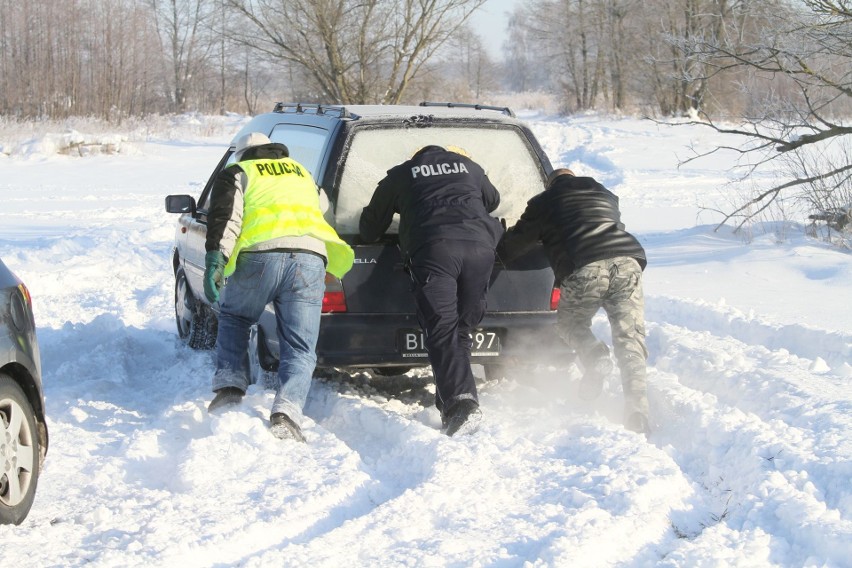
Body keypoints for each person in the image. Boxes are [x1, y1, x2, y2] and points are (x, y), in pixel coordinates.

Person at [204, 132, 354, 442]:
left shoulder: (239, 173)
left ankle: (231, 389)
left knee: (235, 317)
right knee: (300, 344)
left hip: (260, 257)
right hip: (310, 259)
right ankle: (287, 411)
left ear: (244, 154)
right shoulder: (302, 174)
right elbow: (321, 204)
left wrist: (216, 262)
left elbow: (227, 219)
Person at [359, 145, 503, 436]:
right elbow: (493, 200)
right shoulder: (469, 167)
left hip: (435, 250)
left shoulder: (400, 175)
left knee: (442, 327)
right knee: (461, 327)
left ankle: (461, 404)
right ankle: (453, 403)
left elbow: (370, 228)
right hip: (481, 249)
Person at [498, 168, 651, 435]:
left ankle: (595, 355)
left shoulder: (543, 202)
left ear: (550, 185)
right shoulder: (605, 194)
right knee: (630, 338)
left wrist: (494, 250)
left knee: (570, 324)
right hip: (628, 263)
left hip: (585, 266)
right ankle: (637, 410)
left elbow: (514, 245)